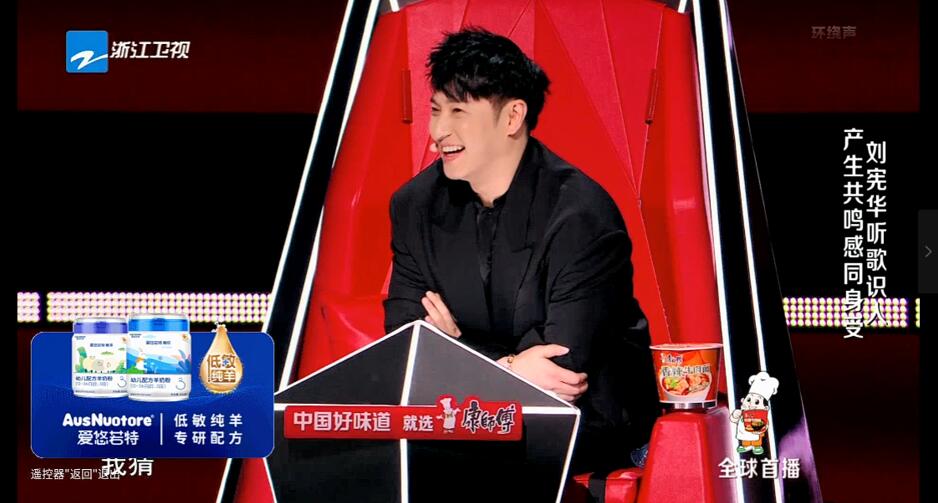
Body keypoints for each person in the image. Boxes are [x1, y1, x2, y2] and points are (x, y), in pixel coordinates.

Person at [383, 27, 659, 473]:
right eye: (435, 110)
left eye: (458, 111)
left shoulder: (581, 216)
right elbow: (406, 338)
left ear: (512, 117)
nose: (438, 131)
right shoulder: (414, 205)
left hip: (588, 420)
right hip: (469, 416)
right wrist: (509, 366)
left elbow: (562, 368)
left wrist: (456, 348)